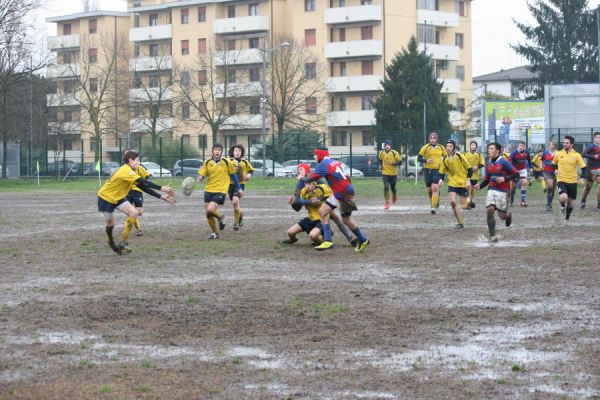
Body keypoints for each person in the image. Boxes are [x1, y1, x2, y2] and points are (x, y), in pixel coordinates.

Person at [97, 150, 175, 254]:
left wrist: (161, 197)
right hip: (105, 198)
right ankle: (111, 242)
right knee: (111, 225)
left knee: (134, 213)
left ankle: (122, 243)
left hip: (119, 198)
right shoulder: (125, 170)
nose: (139, 162)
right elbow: (143, 182)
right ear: (130, 160)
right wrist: (162, 188)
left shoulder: (131, 170)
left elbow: (141, 186)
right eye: (137, 160)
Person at [309, 146, 369, 252]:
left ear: (320, 155)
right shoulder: (335, 162)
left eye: (315, 154)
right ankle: (362, 239)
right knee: (339, 217)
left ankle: (329, 240)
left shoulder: (323, 164)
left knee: (330, 214)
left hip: (341, 193)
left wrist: (302, 177)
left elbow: (311, 178)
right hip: (347, 190)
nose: (314, 157)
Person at [291, 163, 358, 247]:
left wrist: (319, 199)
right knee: (332, 218)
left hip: (323, 205)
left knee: (335, 217)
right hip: (314, 211)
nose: (299, 172)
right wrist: (308, 202)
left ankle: (351, 238)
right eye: (298, 170)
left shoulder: (315, 180)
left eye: (301, 169)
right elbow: (297, 201)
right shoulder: (299, 185)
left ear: (307, 171)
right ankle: (328, 236)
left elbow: (327, 191)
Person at [473, 143, 519, 242]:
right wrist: (479, 186)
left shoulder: (504, 162)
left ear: (497, 151)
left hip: (503, 191)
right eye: (488, 148)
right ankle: (492, 236)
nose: (489, 150)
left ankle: (508, 216)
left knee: (502, 216)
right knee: (489, 210)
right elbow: (486, 180)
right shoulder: (488, 164)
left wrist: (504, 178)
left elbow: (516, 174)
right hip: (492, 190)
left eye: (491, 148)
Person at [198, 143, 243, 239]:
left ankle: (221, 217)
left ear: (221, 152)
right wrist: (200, 177)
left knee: (211, 209)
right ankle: (215, 233)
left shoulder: (226, 162)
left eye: (219, 150)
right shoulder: (207, 162)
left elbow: (233, 176)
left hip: (220, 190)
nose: (217, 151)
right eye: (215, 149)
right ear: (212, 151)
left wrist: (239, 188)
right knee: (208, 213)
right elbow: (202, 174)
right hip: (208, 190)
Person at [281, 178, 332, 245]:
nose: (307, 186)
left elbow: (332, 196)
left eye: (309, 184)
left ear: (314, 184)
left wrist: (319, 199)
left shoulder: (322, 188)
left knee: (313, 236)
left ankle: (323, 239)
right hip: (310, 219)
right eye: (306, 184)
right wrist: (293, 203)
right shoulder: (303, 191)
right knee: (290, 232)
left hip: (321, 219)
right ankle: (293, 240)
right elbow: (297, 209)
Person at [438, 140, 473, 228]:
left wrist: (468, 180)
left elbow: (470, 169)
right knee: (453, 202)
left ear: (454, 147)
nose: (448, 148)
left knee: (465, 206)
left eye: (450, 146)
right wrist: (441, 179)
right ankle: (460, 223)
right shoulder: (445, 158)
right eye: (447, 146)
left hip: (462, 183)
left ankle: (469, 201)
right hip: (452, 183)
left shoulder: (460, 156)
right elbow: (442, 171)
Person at [552, 135, 586, 222]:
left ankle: (567, 218)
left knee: (570, 204)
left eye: (567, 143)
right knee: (564, 197)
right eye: (564, 143)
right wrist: (555, 169)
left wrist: (582, 177)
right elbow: (553, 164)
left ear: (571, 144)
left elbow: (584, 168)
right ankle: (562, 204)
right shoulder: (558, 153)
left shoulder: (577, 155)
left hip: (573, 181)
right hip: (561, 180)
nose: (565, 144)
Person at [119, 148, 149, 244]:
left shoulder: (139, 166)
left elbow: (147, 176)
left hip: (137, 191)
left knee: (139, 212)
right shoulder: (124, 169)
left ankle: (133, 228)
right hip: (127, 191)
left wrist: (145, 183)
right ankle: (138, 229)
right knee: (131, 212)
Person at [418, 132, 447, 214]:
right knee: (429, 190)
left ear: (437, 139)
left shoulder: (441, 148)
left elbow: (446, 158)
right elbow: (419, 158)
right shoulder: (425, 147)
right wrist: (426, 160)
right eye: (431, 138)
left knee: (434, 187)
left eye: (434, 138)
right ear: (429, 139)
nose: (433, 140)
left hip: (438, 171)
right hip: (428, 171)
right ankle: (434, 200)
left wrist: (445, 166)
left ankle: (433, 207)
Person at [227, 144, 254, 230]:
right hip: (230, 185)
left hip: (241, 184)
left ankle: (236, 223)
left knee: (235, 202)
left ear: (241, 152)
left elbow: (251, 170)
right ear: (232, 152)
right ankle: (241, 216)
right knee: (235, 205)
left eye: (239, 151)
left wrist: (249, 175)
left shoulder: (244, 162)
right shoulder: (228, 161)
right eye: (236, 150)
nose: (237, 152)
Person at [378, 140, 402, 209]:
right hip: (385, 172)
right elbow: (380, 160)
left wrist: (393, 164)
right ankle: (387, 202)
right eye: (386, 145)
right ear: (384, 146)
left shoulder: (394, 153)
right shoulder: (381, 153)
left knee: (393, 188)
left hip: (393, 173)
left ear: (391, 146)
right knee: (386, 187)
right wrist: (380, 165)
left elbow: (400, 162)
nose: (387, 146)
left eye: (388, 145)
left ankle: (394, 194)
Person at [580, 131, 600, 209]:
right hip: (591, 169)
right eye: (596, 137)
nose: (598, 139)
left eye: (599, 137)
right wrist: (593, 156)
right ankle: (583, 201)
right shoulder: (591, 146)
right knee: (588, 187)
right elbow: (583, 154)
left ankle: (599, 203)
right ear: (594, 138)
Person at [508, 141, 531, 207]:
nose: (521, 147)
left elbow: (529, 160)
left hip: (523, 170)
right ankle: (511, 201)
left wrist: (530, 167)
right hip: (515, 170)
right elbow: (509, 160)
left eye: (522, 146)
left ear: (524, 147)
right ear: (518, 146)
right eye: (520, 145)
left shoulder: (526, 152)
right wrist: (511, 168)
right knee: (513, 187)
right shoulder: (514, 152)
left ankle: (523, 201)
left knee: (524, 182)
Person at [463, 140, 485, 209]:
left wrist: (477, 167)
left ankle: (470, 201)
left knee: (472, 190)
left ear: (476, 147)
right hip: (467, 175)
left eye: (474, 145)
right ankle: (468, 203)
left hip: (475, 176)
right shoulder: (466, 154)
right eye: (472, 145)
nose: (473, 146)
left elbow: (482, 163)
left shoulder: (478, 154)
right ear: (470, 146)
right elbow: (462, 162)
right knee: (467, 189)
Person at [541, 141, 558, 211]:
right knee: (550, 186)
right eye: (550, 145)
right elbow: (542, 160)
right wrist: (542, 166)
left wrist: (557, 169)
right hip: (548, 172)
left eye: (552, 145)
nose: (551, 146)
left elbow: (561, 162)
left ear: (555, 146)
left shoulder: (558, 153)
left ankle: (550, 203)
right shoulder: (545, 152)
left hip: (555, 173)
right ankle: (548, 204)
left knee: (553, 190)